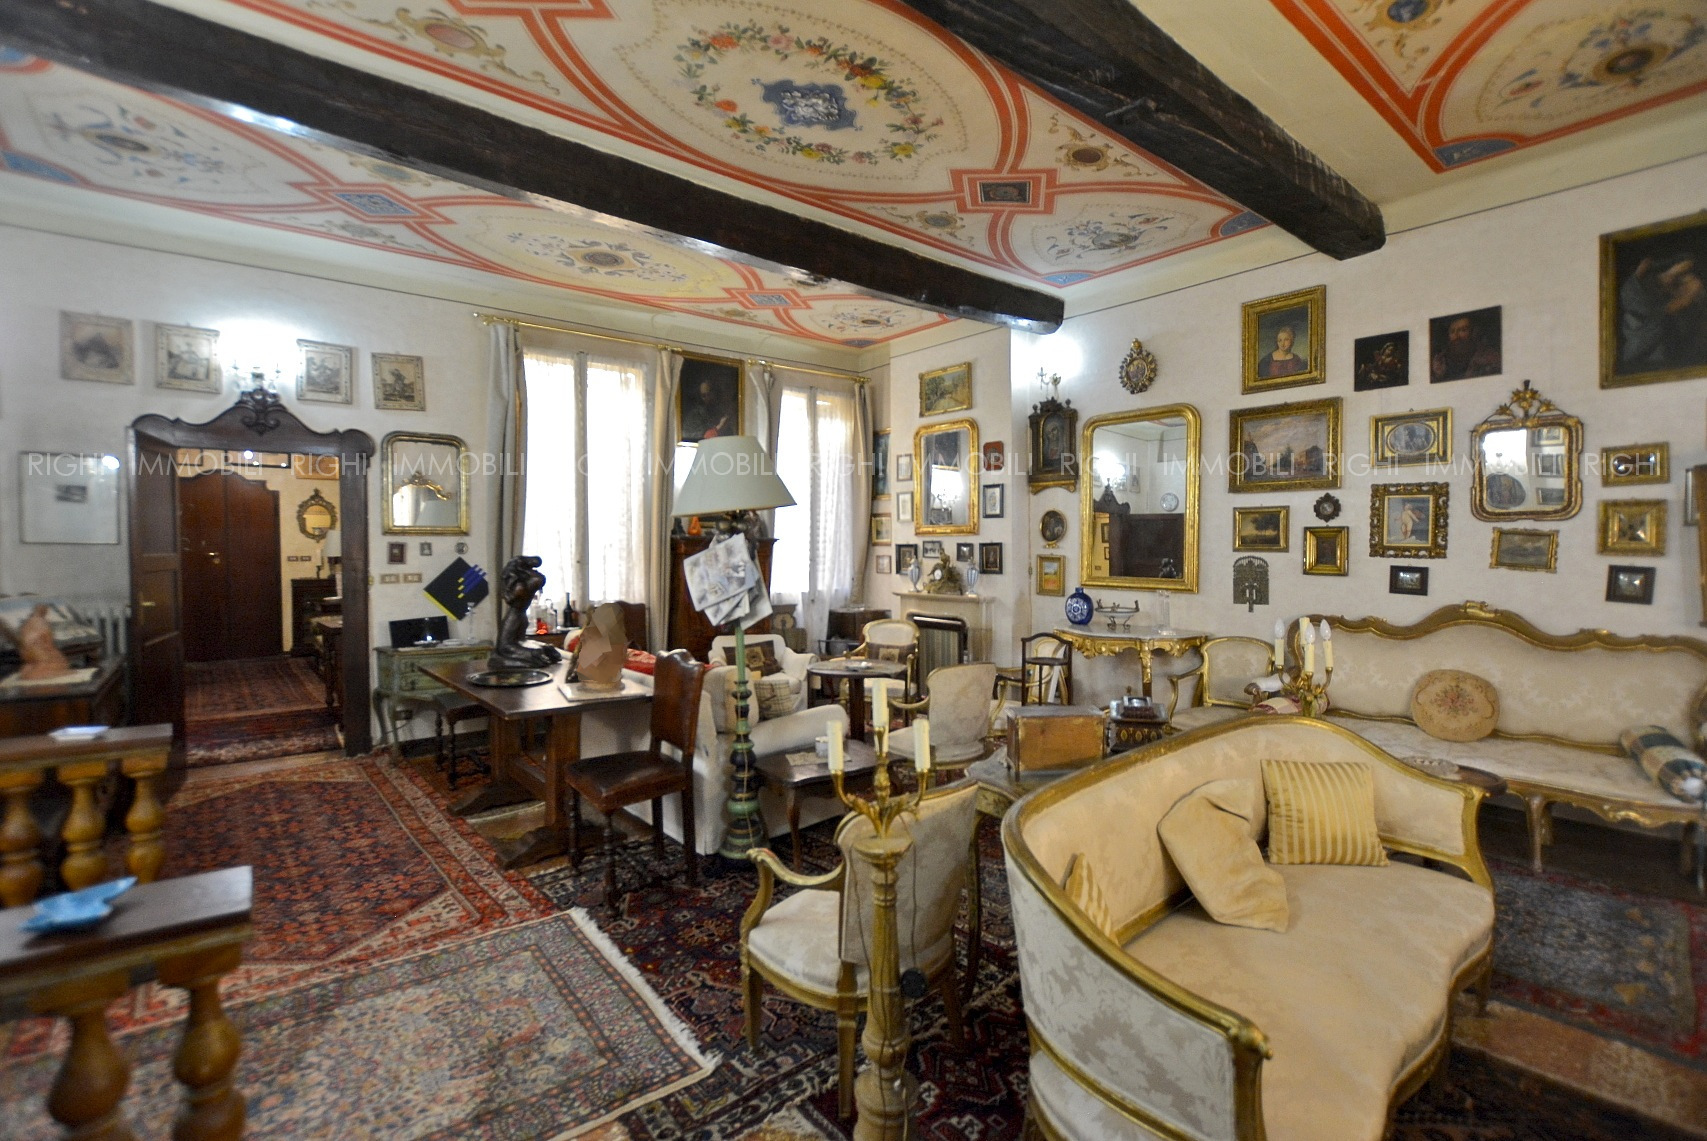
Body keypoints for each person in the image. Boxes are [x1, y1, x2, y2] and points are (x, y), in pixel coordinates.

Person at [1619, 251, 1707, 372]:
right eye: (1679, 276)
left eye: (1688, 276)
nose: (1686, 281)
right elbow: (1636, 345)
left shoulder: (1694, 306)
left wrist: (1687, 299)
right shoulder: (1641, 301)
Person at [1431, 314, 1500, 381]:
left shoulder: (1490, 357)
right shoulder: (1440, 360)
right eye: (1452, 331)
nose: (1456, 336)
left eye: (1463, 330)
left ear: (1473, 333)